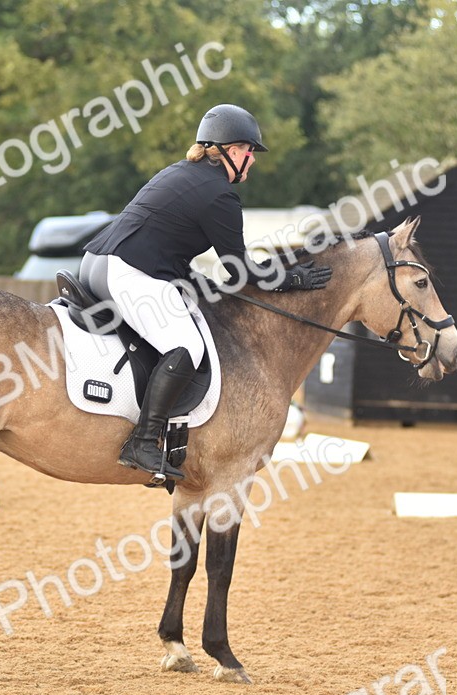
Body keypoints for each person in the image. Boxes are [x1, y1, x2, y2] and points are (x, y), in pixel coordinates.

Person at [82, 103, 331, 481]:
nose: (252, 162)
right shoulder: (219, 194)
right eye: (251, 152)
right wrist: (293, 279)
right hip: (128, 272)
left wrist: (195, 279)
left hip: (97, 263)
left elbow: (167, 241)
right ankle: (143, 441)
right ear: (233, 150)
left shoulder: (182, 173)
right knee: (186, 346)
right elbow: (242, 270)